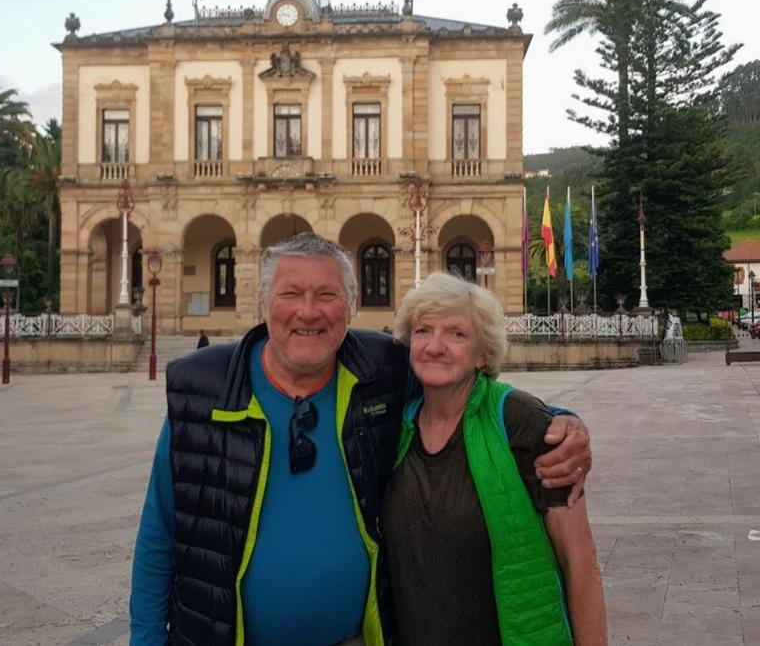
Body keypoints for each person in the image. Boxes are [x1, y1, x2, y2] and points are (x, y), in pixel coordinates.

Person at [130, 234, 593, 646]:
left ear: (349, 307)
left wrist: (560, 420)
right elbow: (158, 538)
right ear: (264, 302)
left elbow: (466, 390)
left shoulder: (381, 375)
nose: (308, 311)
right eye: (291, 293)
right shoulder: (205, 394)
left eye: (327, 294)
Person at [382, 272, 606, 646]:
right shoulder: (394, 427)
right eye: (423, 330)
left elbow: (581, 564)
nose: (435, 346)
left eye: (457, 334)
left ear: (483, 354)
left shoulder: (524, 422)